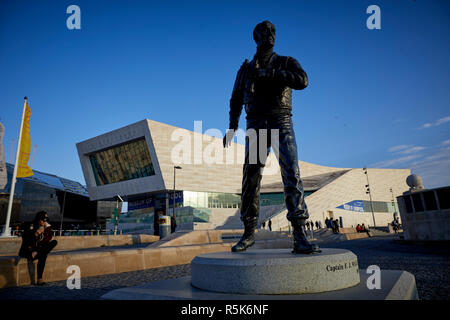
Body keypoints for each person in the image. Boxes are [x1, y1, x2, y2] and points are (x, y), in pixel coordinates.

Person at [224, 21, 319, 254]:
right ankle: (248, 233)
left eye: (273, 31)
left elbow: (303, 81)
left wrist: (271, 74)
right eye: (265, 32)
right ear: (255, 37)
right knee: (252, 178)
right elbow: (235, 99)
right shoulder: (245, 70)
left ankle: (299, 234)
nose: (270, 35)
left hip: (280, 122)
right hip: (255, 125)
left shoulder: (285, 61)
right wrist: (232, 126)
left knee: (291, 172)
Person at [17, 211, 57, 285]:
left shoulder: (46, 227)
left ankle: (38, 252)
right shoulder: (31, 226)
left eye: (46, 220)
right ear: (39, 219)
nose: (45, 222)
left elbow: (47, 240)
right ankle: (39, 279)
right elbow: (26, 241)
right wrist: (35, 234)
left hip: (37, 251)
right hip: (28, 252)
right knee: (44, 255)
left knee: (54, 242)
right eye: (44, 220)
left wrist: (46, 230)